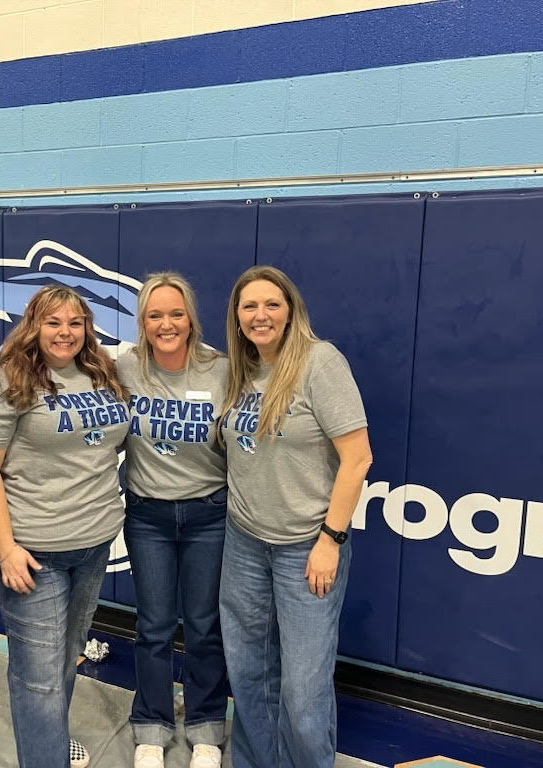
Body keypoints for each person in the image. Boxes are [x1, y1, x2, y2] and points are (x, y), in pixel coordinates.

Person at [218, 265, 372, 768]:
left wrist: (331, 539)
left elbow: (359, 457)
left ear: (291, 311)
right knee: (249, 674)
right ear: (237, 319)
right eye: (249, 307)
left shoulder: (319, 362)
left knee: (303, 693)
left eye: (271, 305)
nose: (260, 315)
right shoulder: (241, 370)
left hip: (306, 547)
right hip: (244, 543)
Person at [0, 285, 130, 768]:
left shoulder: (101, 371)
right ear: (34, 325)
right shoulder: (12, 376)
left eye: (74, 322)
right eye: (53, 322)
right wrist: (5, 549)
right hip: (32, 550)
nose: (65, 332)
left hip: (91, 544)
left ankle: (50, 740)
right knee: (37, 676)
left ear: (87, 327)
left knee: (67, 659)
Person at [117, 273, 229, 768]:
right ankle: (152, 724)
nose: (167, 324)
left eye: (176, 314)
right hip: (148, 515)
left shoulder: (222, 370)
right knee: (154, 625)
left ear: (191, 319)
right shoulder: (122, 367)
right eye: (155, 315)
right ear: (142, 321)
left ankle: (206, 723)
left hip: (209, 513)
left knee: (205, 626)